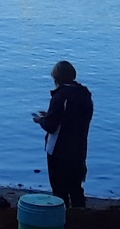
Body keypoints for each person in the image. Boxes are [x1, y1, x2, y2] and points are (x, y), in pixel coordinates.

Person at [32, 60, 93, 208]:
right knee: (76, 187)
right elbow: (73, 118)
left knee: (59, 190)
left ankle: (62, 222)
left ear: (56, 78)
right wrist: (51, 114)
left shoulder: (60, 96)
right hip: (79, 149)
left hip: (59, 151)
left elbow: (51, 126)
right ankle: (80, 218)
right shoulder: (84, 94)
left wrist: (41, 120)